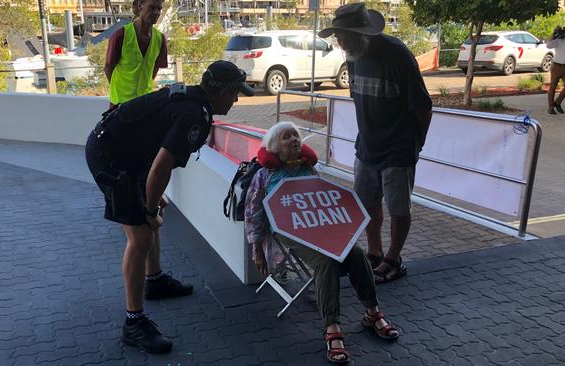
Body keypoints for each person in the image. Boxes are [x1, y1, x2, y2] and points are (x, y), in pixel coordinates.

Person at [85, 60, 254, 354]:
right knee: (140, 235)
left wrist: (151, 199)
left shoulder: (192, 99)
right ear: (221, 91)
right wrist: (148, 209)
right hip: (111, 156)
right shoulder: (194, 115)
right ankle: (133, 323)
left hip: (127, 152)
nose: (236, 99)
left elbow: (157, 157)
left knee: (151, 213)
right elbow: (162, 167)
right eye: (234, 92)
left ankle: (155, 281)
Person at [245, 121, 400, 365]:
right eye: (287, 137)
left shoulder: (308, 170)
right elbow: (253, 212)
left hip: (321, 229)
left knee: (357, 254)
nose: (294, 140)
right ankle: (332, 327)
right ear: (275, 145)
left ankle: (372, 312)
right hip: (290, 233)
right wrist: (257, 249)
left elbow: (327, 201)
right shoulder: (264, 175)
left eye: (296, 136)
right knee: (326, 262)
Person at [319, 3, 433, 285]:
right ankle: (374, 252)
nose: (340, 42)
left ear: (362, 33)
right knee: (367, 203)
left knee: (398, 208)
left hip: (398, 149)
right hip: (366, 148)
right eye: (337, 36)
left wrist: (416, 144)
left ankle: (393, 260)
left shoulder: (397, 55)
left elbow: (423, 107)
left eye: (344, 36)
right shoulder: (353, 56)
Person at [105, 0, 168, 108]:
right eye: (152, 8)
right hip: (119, 103)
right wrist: (119, 89)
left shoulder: (160, 39)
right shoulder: (121, 35)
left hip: (144, 101)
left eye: (159, 9)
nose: (157, 12)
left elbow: (154, 70)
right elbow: (108, 67)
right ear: (140, 6)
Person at [547, 26, 565, 114]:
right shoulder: (558, 41)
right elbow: (548, 45)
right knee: (553, 87)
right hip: (557, 66)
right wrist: (553, 35)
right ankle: (550, 107)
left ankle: (557, 102)